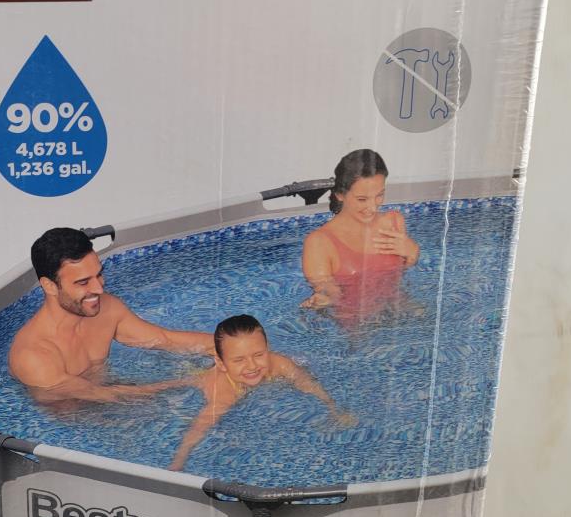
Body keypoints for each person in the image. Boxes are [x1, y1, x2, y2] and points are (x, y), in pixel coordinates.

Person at [9, 227, 215, 405]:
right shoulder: (33, 355)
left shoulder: (106, 309)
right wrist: (193, 381)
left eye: (99, 274)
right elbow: (103, 396)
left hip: (113, 396)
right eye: (83, 282)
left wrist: (227, 346)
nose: (99, 288)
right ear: (49, 286)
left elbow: (165, 339)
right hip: (74, 424)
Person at [169, 315, 356, 471]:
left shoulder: (280, 364)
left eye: (259, 355)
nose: (252, 366)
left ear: (267, 349)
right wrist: (179, 462)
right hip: (205, 378)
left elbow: (309, 385)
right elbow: (200, 426)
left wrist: (334, 410)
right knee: (182, 382)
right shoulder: (225, 394)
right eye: (239, 360)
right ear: (221, 363)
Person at [301, 149, 419, 319]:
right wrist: (325, 299)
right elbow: (328, 290)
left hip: (402, 310)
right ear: (340, 194)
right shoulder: (319, 242)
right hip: (359, 322)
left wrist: (413, 253)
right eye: (362, 199)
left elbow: (400, 275)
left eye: (379, 195)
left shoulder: (393, 222)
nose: (372, 207)